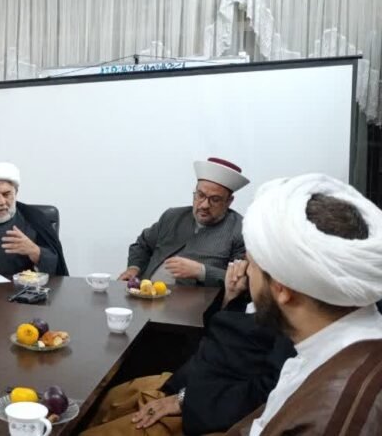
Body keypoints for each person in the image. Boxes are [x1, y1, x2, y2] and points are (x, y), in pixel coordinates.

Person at [225, 174, 382, 435]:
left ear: (281, 288)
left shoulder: (333, 415)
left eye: (251, 263)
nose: (247, 273)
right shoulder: (334, 349)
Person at [82, 260, 294, 436]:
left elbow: (266, 393)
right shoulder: (252, 299)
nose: (243, 269)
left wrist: (184, 400)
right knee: (102, 403)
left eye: (252, 264)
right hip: (184, 381)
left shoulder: (291, 324)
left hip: (203, 408)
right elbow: (220, 336)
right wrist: (230, 295)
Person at [118, 157, 249, 287]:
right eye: (200, 195)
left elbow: (242, 281)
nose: (204, 205)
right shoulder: (172, 216)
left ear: (229, 201)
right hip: (146, 293)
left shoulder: (240, 231)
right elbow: (142, 245)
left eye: (214, 199)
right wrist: (134, 268)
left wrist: (202, 272)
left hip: (196, 300)